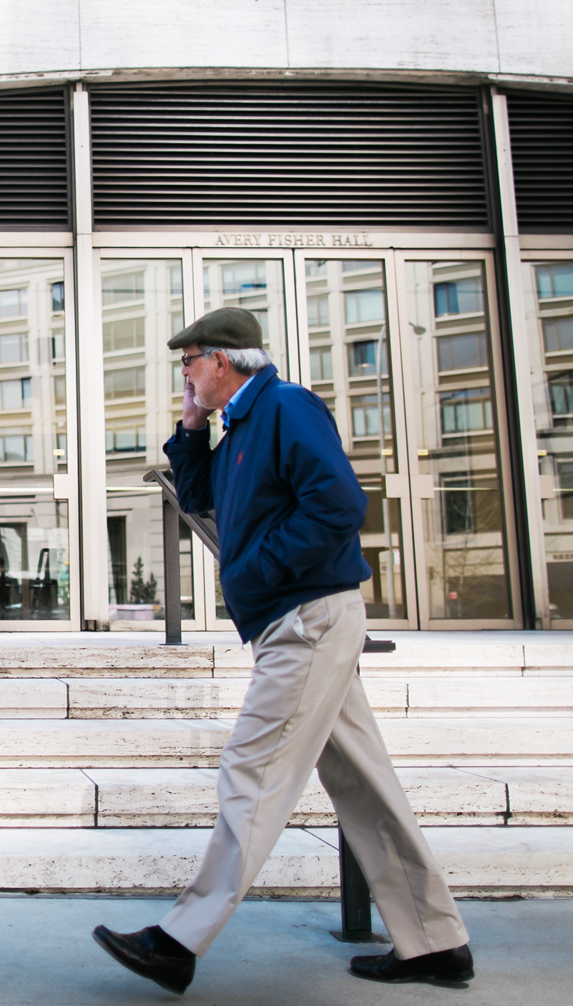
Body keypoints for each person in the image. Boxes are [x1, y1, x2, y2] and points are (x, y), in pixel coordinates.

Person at [92, 307, 473, 996]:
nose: (184, 373)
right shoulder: (240, 424)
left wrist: (261, 569)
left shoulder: (288, 406)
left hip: (307, 618)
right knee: (363, 784)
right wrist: (190, 428)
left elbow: (336, 503)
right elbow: (202, 496)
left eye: (190, 362)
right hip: (297, 618)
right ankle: (436, 940)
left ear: (225, 358)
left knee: (252, 766)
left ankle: (180, 938)